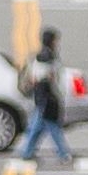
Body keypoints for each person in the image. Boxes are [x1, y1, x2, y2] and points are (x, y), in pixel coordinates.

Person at [21, 32, 74, 162]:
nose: (57, 43)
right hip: (46, 98)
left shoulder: (43, 55)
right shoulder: (46, 56)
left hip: (42, 98)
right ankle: (63, 153)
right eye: (55, 40)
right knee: (52, 126)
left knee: (37, 127)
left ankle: (27, 152)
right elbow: (45, 78)